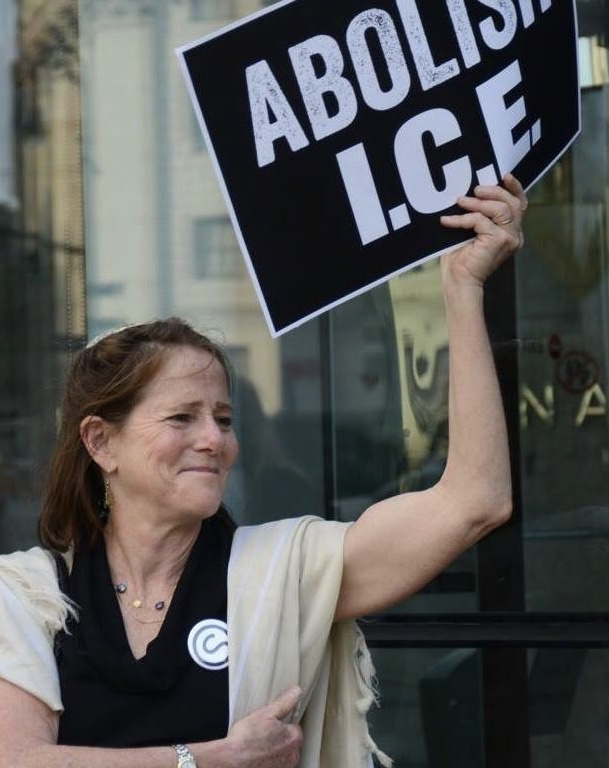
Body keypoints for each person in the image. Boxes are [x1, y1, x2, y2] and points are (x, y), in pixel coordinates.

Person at [0, 174, 527, 768]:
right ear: (101, 441)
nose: (214, 440)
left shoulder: (282, 574)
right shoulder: (30, 595)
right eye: (181, 417)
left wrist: (462, 287)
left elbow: (475, 502)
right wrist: (208, 759)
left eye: (223, 419)